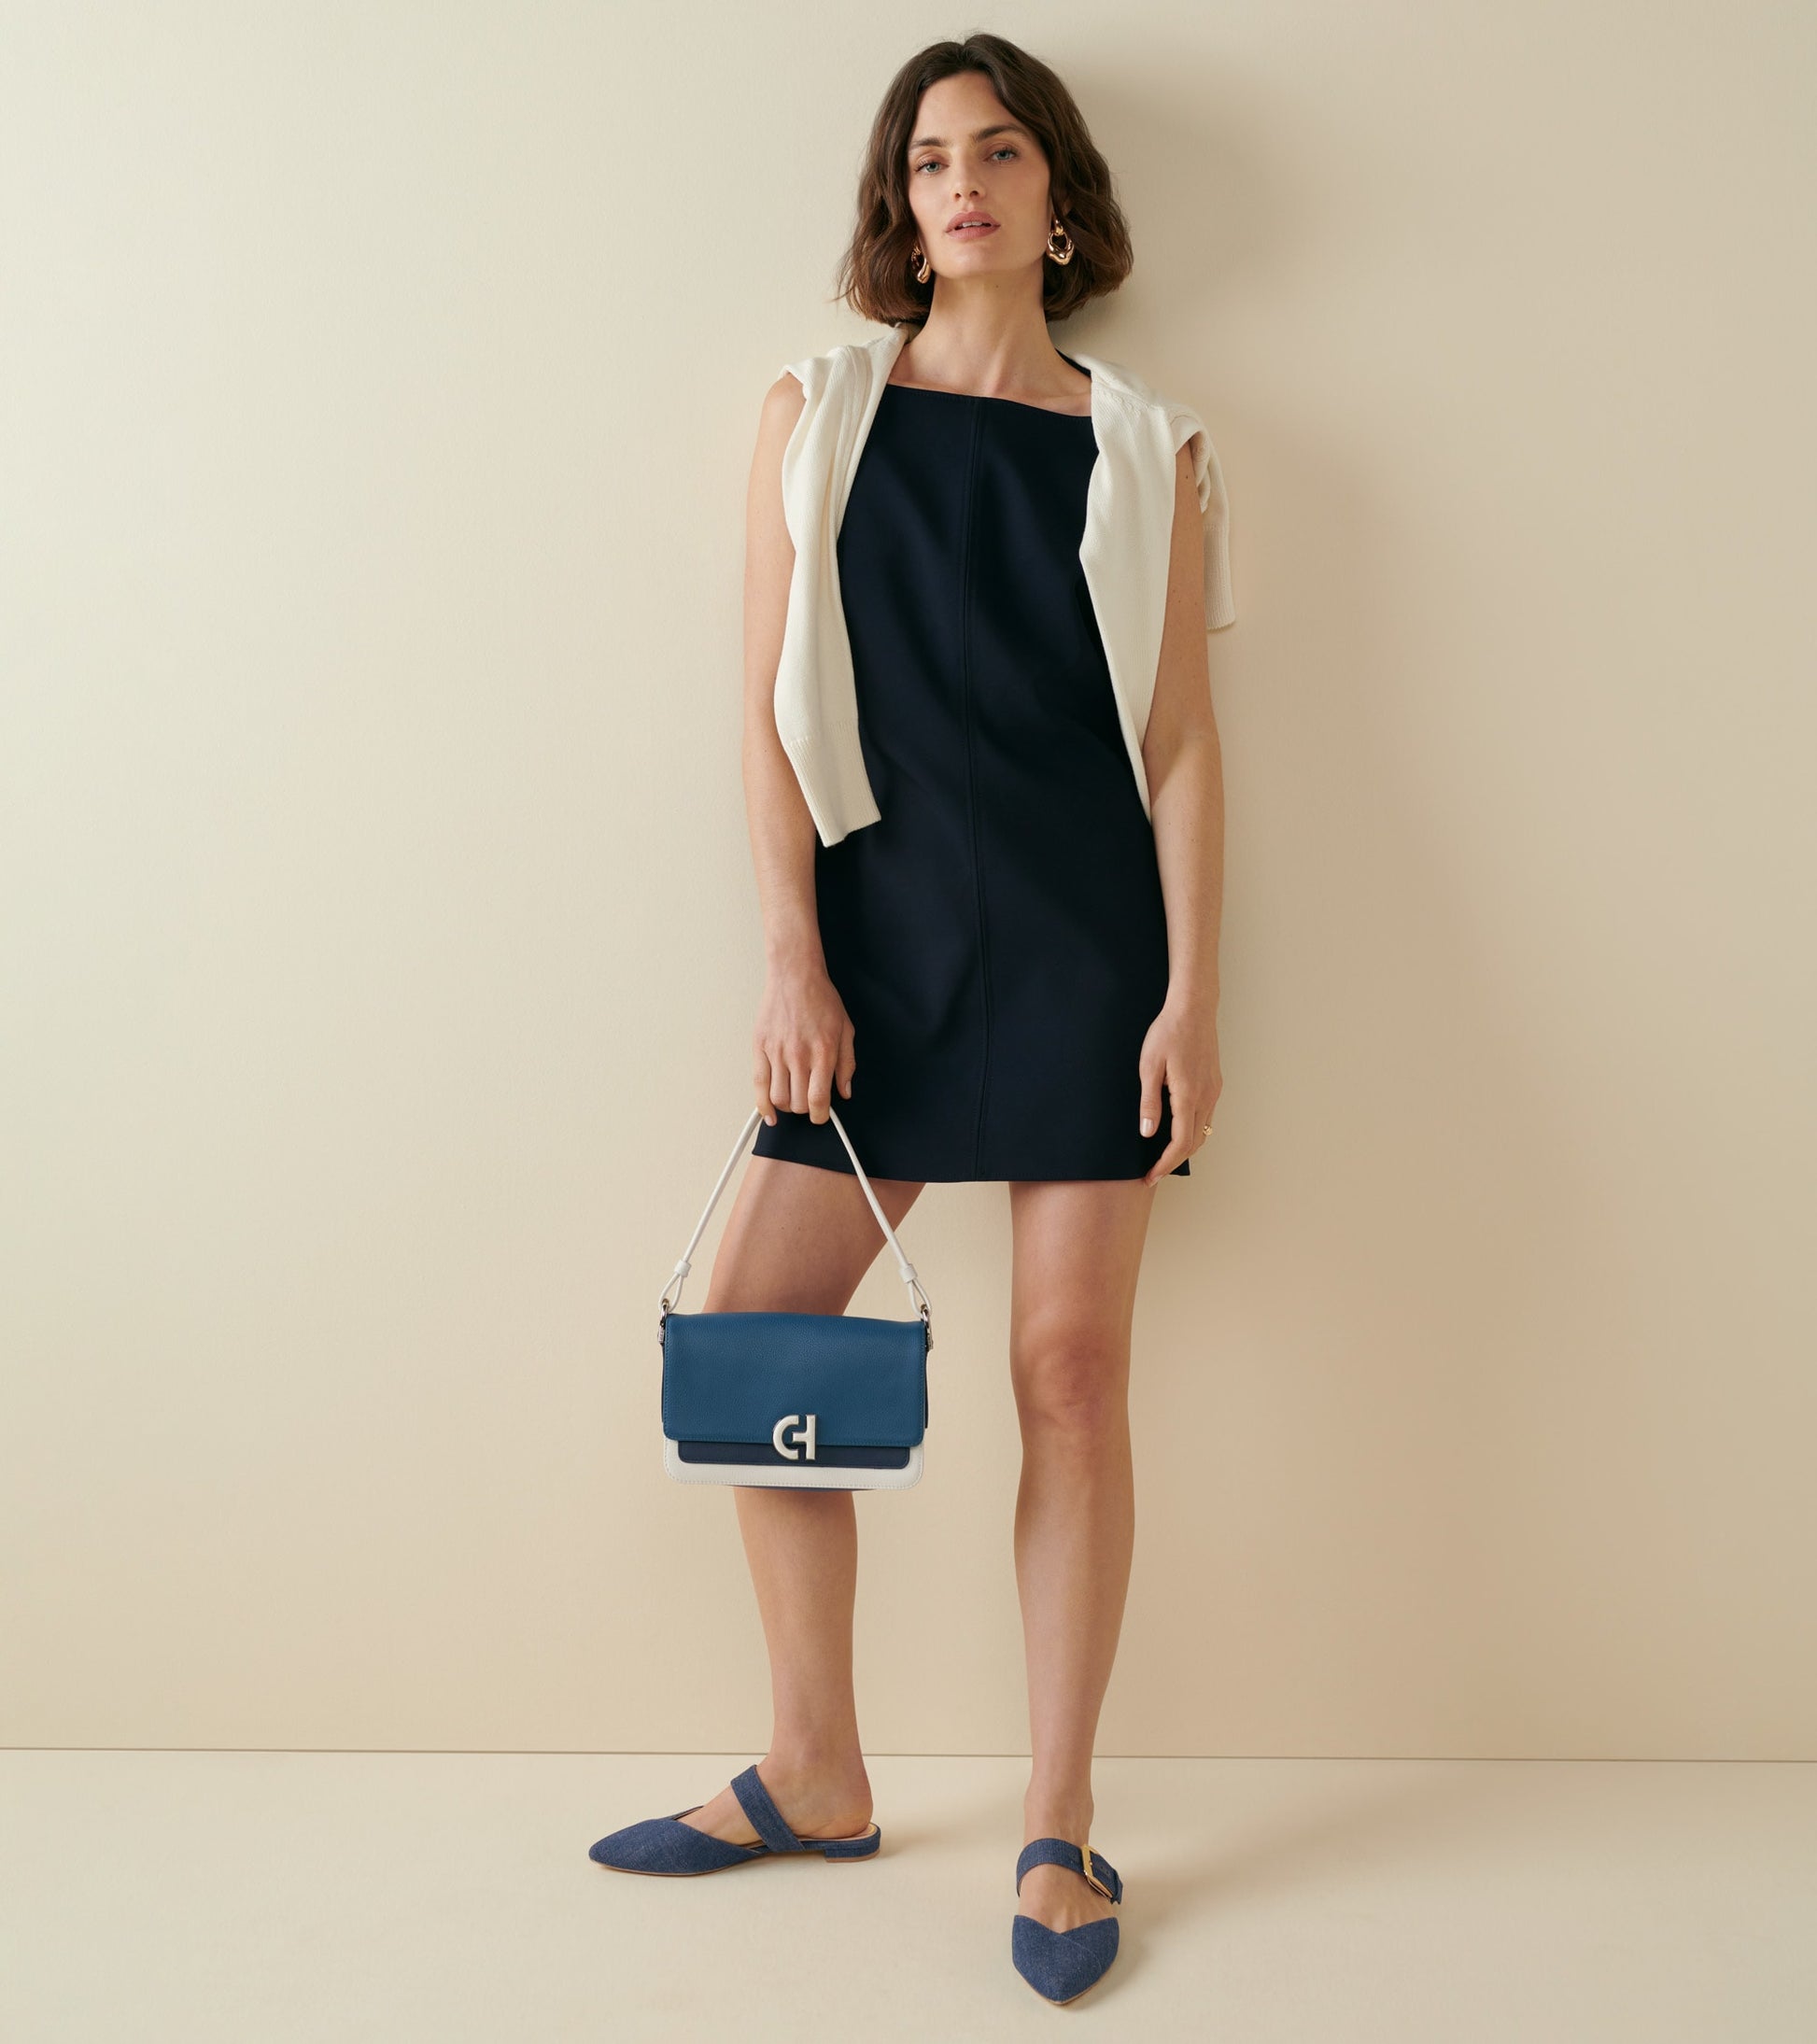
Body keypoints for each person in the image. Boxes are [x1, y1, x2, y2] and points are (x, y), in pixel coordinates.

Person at [590, 32, 1235, 2007]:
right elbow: (763, 708)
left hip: (1083, 943)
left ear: (1059, 199)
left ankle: (1058, 1817)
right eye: (931, 157)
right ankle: (816, 1765)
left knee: (1067, 1374)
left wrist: (1193, 994)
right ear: (902, 204)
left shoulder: (1148, 447)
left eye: (1000, 151)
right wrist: (791, 956)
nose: (963, 182)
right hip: (872, 949)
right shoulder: (817, 410)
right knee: (749, 1334)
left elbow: (1181, 745)